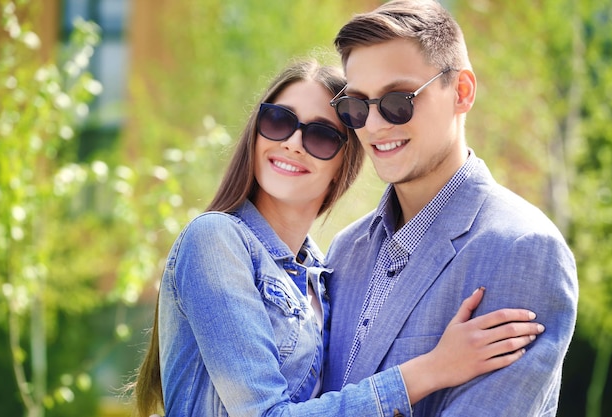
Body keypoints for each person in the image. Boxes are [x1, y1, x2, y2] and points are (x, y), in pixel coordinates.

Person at [130, 59, 544, 417]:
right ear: (256, 132)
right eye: (279, 121)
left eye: (321, 136)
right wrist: (433, 369)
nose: (293, 143)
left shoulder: (328, 273)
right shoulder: (216, 240)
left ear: (344, 163)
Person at [322, 1, 579, 416]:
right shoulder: (344, 251)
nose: (373, 125)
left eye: (398, 100)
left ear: (461, 92)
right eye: (356, 106)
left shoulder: (523, 250)